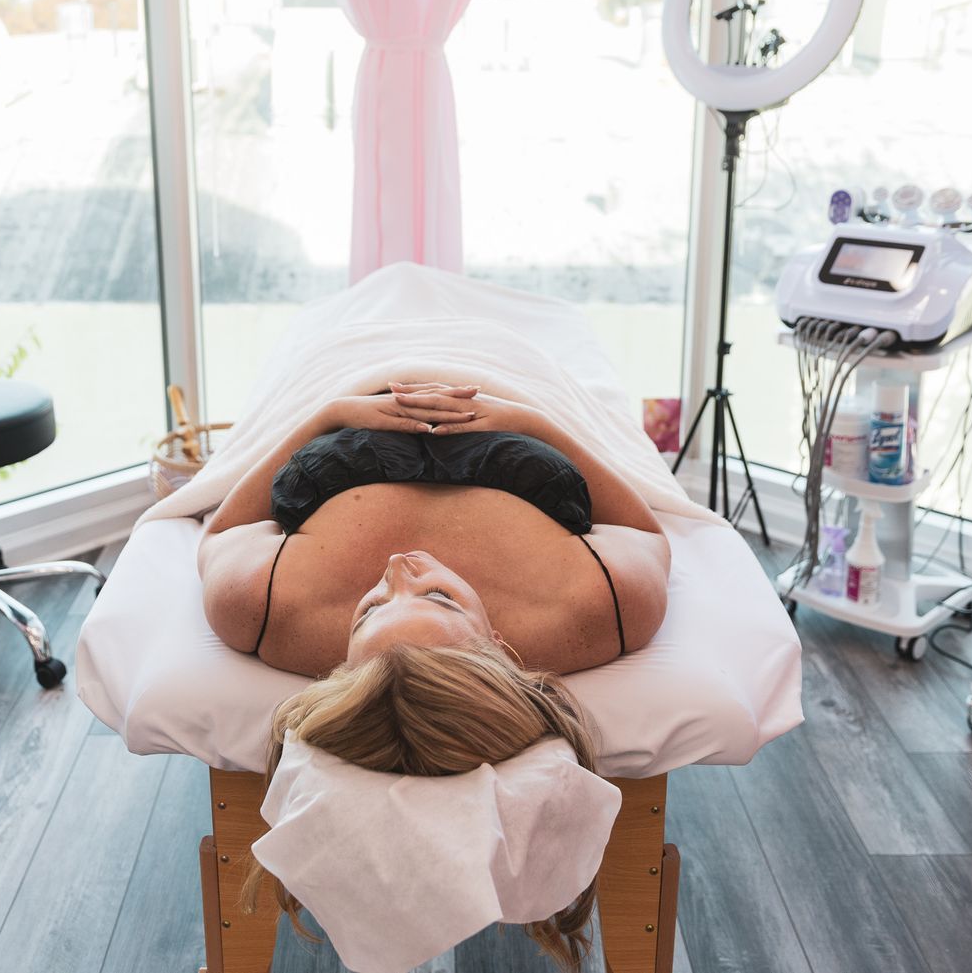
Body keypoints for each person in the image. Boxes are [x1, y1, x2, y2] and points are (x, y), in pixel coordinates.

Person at [198, 380, 671, 967]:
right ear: (498, 645)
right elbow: (649, 534)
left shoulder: (266, 609)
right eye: (442, 598)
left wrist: (328, 413)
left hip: (357, 381)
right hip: (508, 382)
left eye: (370, 609)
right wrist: (530, 420)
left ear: (340, 666)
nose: (399, 565)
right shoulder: (594, 608)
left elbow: (218, 532)